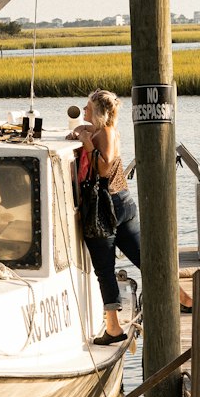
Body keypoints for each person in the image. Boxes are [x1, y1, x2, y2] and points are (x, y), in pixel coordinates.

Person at [70, 89, 142, 345]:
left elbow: (105, 165)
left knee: (105, 269)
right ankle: (182, 298)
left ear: (99, 111)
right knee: (143, 256)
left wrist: (85, 139)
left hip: (106, 205)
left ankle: (113, 328)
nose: (85, 110)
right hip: (120, 201)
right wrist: (82, 135)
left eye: (88, 107)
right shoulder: (102, 131)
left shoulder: (107, 132)